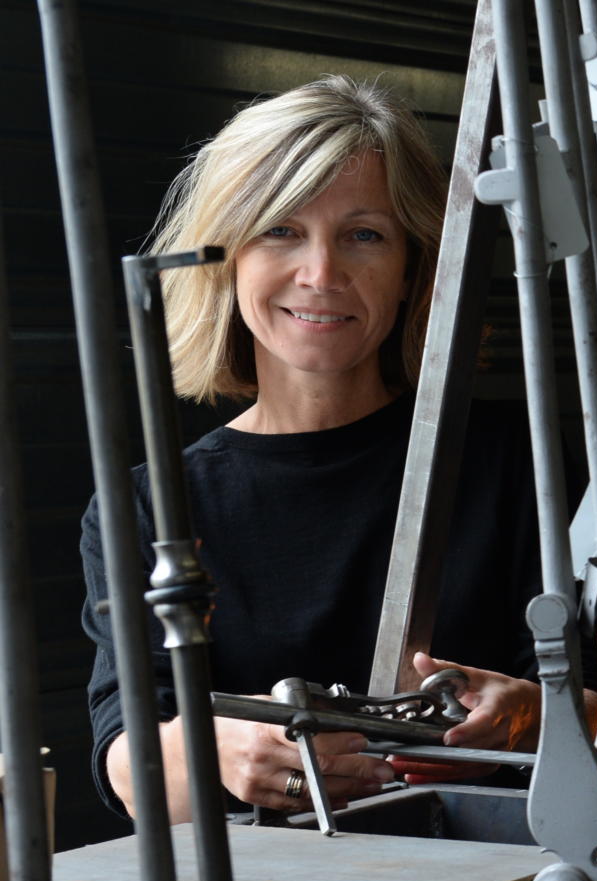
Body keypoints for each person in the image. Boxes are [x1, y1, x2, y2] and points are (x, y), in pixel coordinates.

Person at [82, 75, 554, 822]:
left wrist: (530, 713)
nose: (322, 273)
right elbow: (128, 760)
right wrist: (223, 755)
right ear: (227, 258)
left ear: (411, 271)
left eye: (364, 234)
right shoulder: (152, 504)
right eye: (281, 231)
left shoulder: (519, 466)